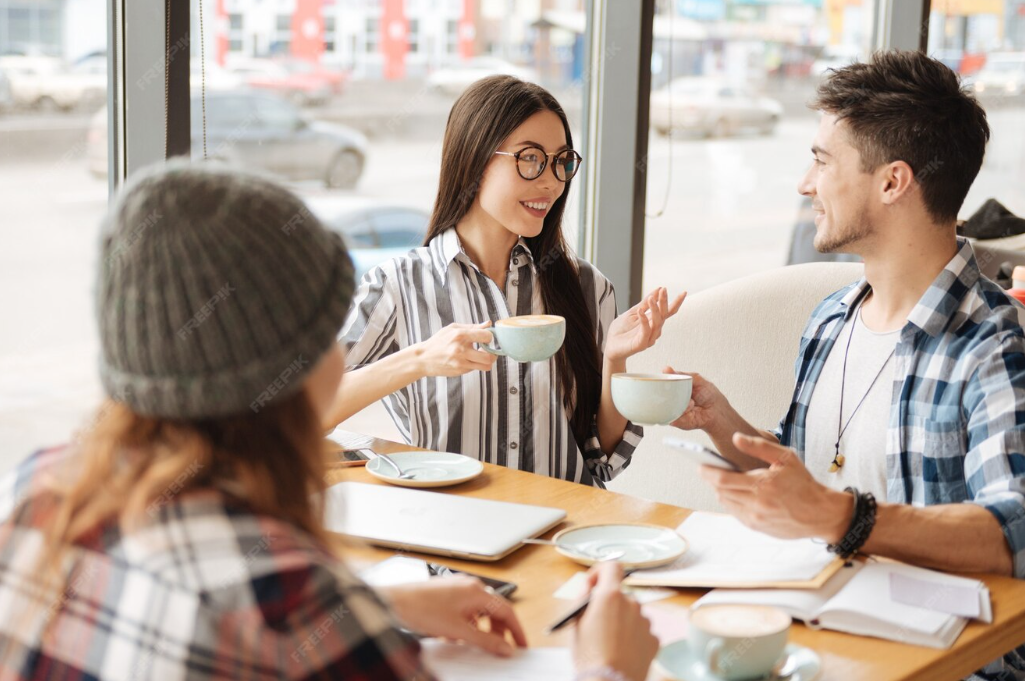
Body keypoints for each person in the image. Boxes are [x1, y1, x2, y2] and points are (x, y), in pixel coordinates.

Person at [0, 163, 659, 681]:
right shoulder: (288, 603)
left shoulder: (37, 491)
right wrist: (606, 667)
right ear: (291, 368)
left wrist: (378, 606)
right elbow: (273, 617)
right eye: (327, 332)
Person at [667, 50, 1025, 679]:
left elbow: (1012, 532)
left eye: (822, 161)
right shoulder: (832, 317)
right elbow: (811, 479)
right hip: (816, 635)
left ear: (893, 182)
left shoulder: (992, 342)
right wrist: (723, 424)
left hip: (941, 662)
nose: (806, 184)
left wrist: (844, 518)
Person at [328, 75, 684, 487]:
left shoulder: (588, 287)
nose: (551, 181)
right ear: (475, 158)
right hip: (452, 530)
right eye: (530, 158)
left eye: (561, 161)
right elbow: (302, 416)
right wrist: (418, 360)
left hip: (565, 532)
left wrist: (615, 362)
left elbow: (603, 461)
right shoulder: (398, 286)